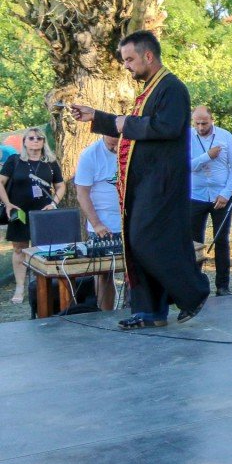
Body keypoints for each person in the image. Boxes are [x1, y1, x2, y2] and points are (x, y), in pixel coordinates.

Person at [70, 30, 209, 329]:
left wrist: (125, 122)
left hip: (162, 182)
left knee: (145, 241)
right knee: (136, 244)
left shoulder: (172, 87)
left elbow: (167, 127)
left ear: (148, 56)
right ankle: (150, 311)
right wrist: (96, 116)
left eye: (130, 59)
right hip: (144, 182)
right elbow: (131, 126)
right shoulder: (150, 89)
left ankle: (193, 291)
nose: (126, 66)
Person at [0, 128, 65, 304]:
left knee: (44, 249)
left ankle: (42, 286)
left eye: (39, 138)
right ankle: (20, 288)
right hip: (19, 212)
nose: (35, 140)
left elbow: (60, 186)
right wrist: (8, 204)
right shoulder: (14, 160)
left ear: (44, 142)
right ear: (24, 141)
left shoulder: (50, 162)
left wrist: (54, 203)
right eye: (31, 138)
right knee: (19, 249)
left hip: (43, 213)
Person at [189, 106, 232, 296]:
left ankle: (222, 285)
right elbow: (185, 166)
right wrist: (206, 156)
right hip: (196, 195)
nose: (201, 127)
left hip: (221, 195)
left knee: (221, 240)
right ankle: (195, 286)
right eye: (197, 123)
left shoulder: (225, 136)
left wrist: (226, 193)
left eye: (204, 123)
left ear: (212, 120)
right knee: (194, 242)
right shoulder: (187, 137)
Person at [75, 134, 122, 310]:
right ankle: (106, 314)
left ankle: (134, 311)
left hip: (129, 222)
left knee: (135, 271)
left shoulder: (130, 148)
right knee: (104, 273)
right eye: (111, 142)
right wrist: (96, 224)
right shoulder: (90, 155)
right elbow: (82, 194)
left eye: (118, 139)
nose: (115, 145)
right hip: (103, 226)